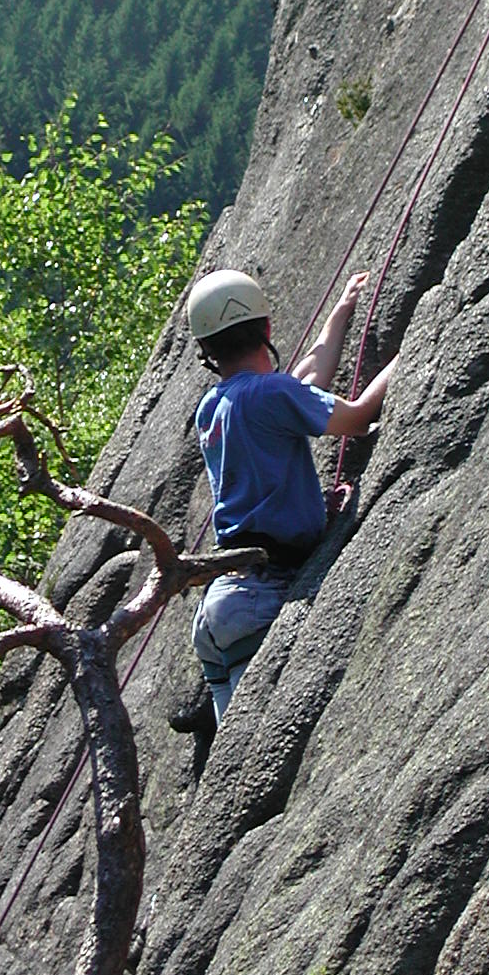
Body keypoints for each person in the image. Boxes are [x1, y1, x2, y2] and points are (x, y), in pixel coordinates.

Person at [184, 267, 396, 726]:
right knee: (256, 752)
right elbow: (357, 417)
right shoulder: (271, 395)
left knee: (233, 763)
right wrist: (416, 346)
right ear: (266, 328)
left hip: (222, 607)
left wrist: (341, 311)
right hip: (262, 595)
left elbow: (303, 382)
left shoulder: (213, 407)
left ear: (206, 351)